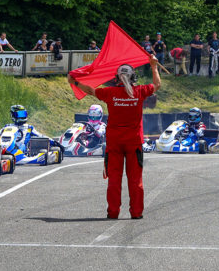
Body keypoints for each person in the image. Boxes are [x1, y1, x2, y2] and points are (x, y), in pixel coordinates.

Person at [67, 54, 161, 219]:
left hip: (114, 143)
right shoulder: (140, 91)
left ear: (117, 78)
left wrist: (74, 82)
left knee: (114, 180)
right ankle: (136, 212)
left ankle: (113, 212)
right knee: (135, 180)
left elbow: (90, 90)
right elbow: (157, 84)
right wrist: (153, 66)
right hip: (134, 143)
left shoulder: (110, 92)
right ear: (133, 77)